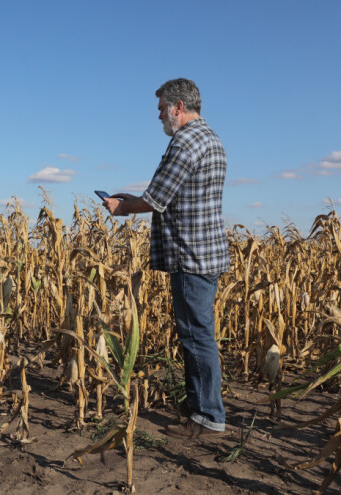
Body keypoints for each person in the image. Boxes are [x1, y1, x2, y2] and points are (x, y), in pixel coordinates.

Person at [102, 78, 230, 439]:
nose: (159, 116)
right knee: (198, 333)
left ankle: (207, 417)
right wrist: (130, 198)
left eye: (161, 109)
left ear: (178, 107)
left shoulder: (186, 141)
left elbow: (157, 199)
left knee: (195, 336)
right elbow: (173, 195)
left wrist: (123, 207)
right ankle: (200, 407)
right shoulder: (211, 139)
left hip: (190, 256)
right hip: (206, 253)